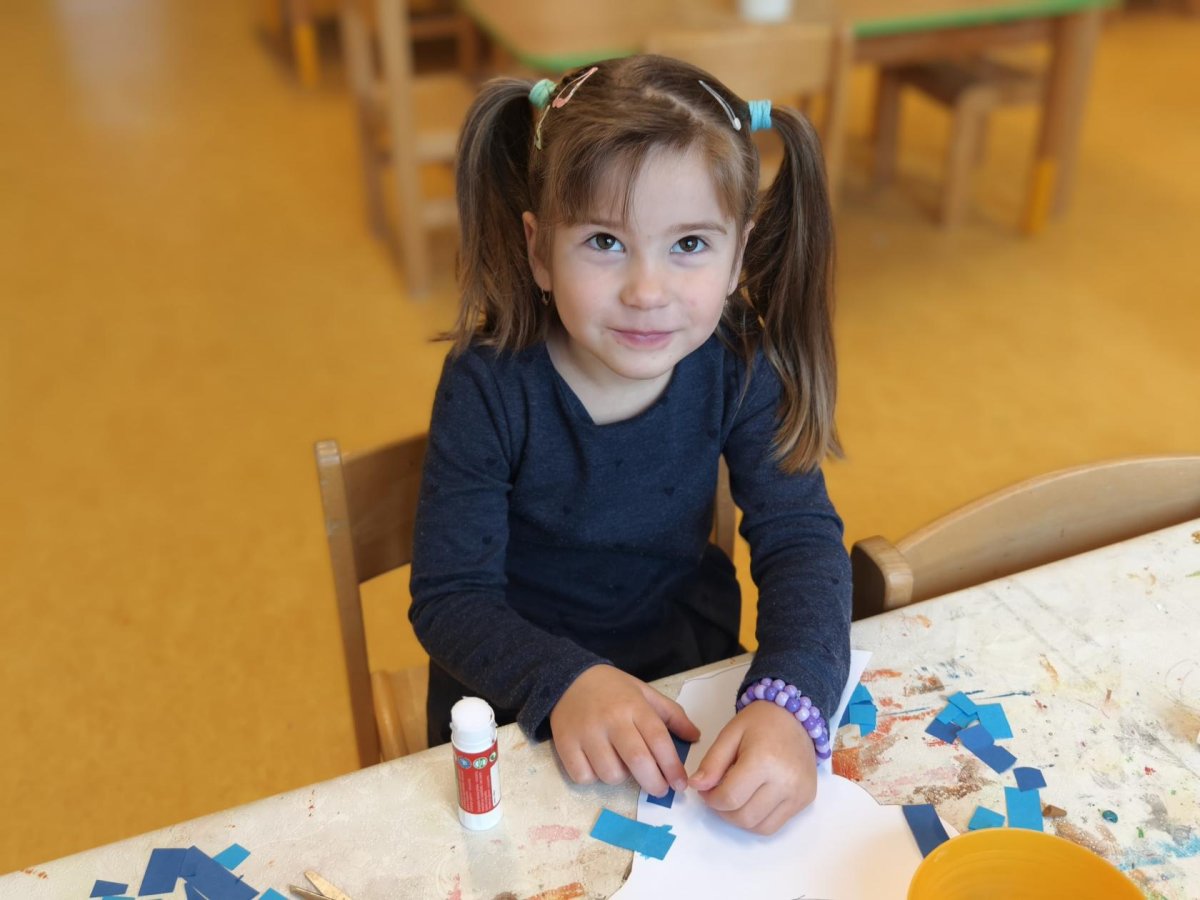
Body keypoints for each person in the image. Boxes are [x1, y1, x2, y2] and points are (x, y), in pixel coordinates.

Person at [409, 54, 851, 836]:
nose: (647, 291)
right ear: (540, 251)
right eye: (606, 241)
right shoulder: (488, 384)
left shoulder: (740, 360)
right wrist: (565, 680)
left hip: (686, 673)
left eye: (690, 244)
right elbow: (451, 599)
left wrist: (791, 700)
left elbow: (801, 541)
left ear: (739, 254)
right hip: (518, 699)